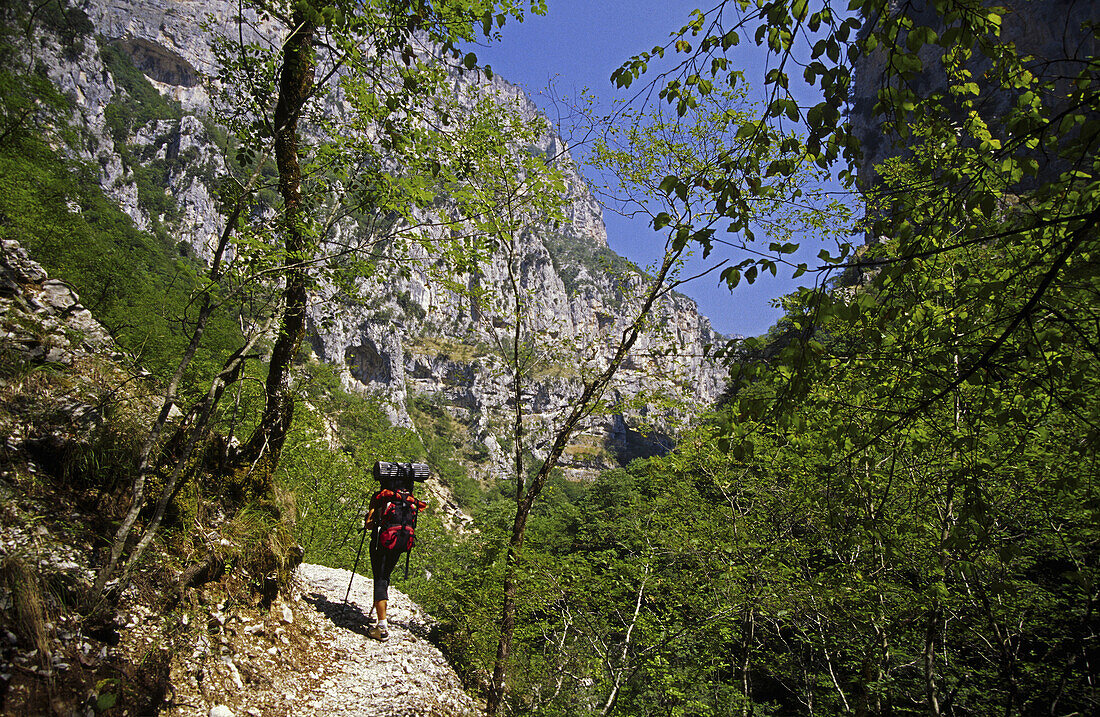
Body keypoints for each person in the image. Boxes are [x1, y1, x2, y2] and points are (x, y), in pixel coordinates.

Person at [363, 487, 401, 642]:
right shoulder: (404, 497)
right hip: (399, 543)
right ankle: (381, 616)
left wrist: (370, 515)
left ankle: (382, 627)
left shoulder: (380, 496)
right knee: (385, 576)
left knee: (379, 579)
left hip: (381, 543)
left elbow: (369, 525)